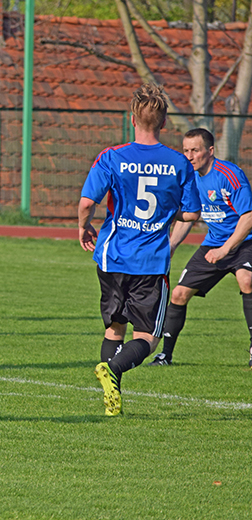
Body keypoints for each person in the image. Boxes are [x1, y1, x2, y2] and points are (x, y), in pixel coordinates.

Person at [78, 83, 200, 416]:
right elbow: (191, 213)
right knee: (148, 337)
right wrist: (167, 213)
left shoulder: (112, 156)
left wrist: (83, 227)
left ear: (132, 119)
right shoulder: (178, 163)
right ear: (164, 122)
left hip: (112, 256)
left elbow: (87, 203)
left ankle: (111, 399)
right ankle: (113, 370)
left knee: (114, 328)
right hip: (150, 262)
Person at [148, 128, 252, 367]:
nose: (189, 156)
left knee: (247, 280)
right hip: (213, 244)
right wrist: (171, 245)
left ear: (210, 151)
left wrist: (226, 249)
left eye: (195, 150)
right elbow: (190, 216)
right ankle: (165, 356)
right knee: (178, 294)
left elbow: (248, 217)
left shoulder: (229, 174)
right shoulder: (189, 178)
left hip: (245, 242)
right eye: (185, 150)